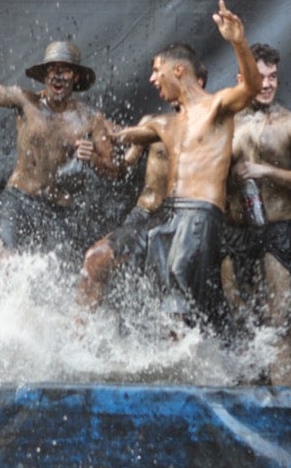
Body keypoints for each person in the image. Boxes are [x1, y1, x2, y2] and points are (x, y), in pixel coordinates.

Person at [115, 0, 260, 329]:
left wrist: (238, 41)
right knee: (160, 306)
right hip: (169, 214)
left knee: (179, 310)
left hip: (198, 214)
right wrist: (99, 139)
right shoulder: (166, 124)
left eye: (157, 70)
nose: (153, 78)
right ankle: (175, 370)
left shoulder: (216, 107)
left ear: (178, 70)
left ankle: (191, 377)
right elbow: (122, 136)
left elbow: (250, 88)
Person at [0, 12, 119, 284]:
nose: (58, 76)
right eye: (52, 70)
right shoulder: (25, 101)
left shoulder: (90, 119)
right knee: (5, 262)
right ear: (44, 76)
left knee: (59, 280)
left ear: (75, 77)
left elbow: (114, 171)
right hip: (18, 200)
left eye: (64, 70)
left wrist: (94, 160)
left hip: (58, 212)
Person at [223, 42, 291, 385]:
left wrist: (267, 172)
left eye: (273, 77)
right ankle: (245, 403)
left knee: (279, 321)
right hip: (234, 229)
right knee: (240, 321)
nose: (266, 84)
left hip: (278, 229)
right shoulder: (226, 123)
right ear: (243, 78)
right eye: (259, 77)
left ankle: (285, 404)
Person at [76, 64, 209, 311]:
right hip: (144, 217)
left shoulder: (216, 129)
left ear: (199, 83)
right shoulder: (153, 123)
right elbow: (120, 171)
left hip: (185, 223)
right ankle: (79, 341)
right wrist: (94, 157)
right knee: (95, 259)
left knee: (172, 306)